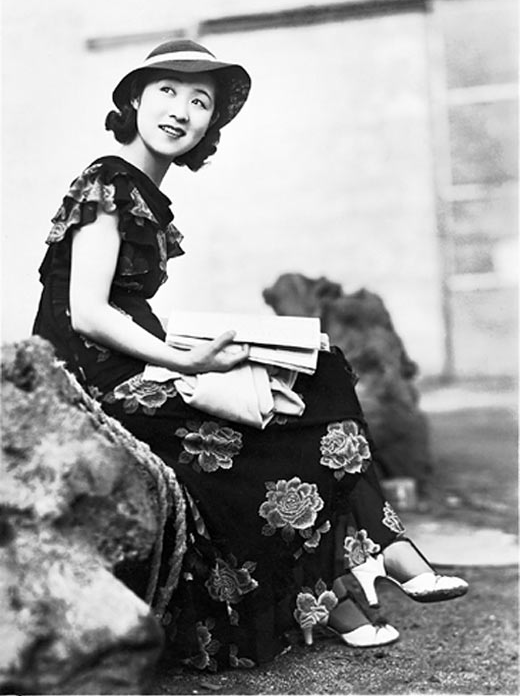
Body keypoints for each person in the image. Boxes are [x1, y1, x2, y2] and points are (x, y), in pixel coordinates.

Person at [33, 39, 468, 671]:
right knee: (267, 439)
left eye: (199, 101)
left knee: (323, 370)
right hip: (91, 387)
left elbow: (122, 309)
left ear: (211, 123)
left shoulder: (143, 193)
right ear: (134, 101)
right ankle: (345, 587)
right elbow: (87, 313)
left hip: (138, 366)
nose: (180, 110)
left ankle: (384, 551)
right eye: (166, 91)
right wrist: (181, 361)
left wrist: (201, 346)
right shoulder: (108, 181)